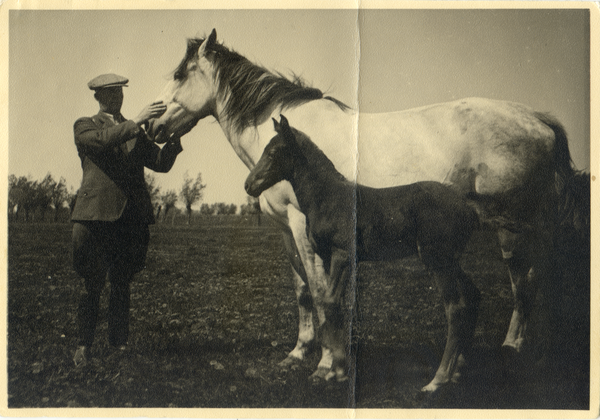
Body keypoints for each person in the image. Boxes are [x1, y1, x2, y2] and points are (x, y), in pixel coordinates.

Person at [71, 73, 182, 366]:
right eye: (110, 93)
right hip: (95, 219)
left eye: (119, 92)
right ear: (98, 97)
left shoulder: (133, 131)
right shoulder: (85, 125)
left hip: (129, 220)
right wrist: (137, 121)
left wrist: (174, 140)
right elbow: (103, 142)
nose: (117, 97)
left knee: (121, 284)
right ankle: (83, 346)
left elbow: (159, 163)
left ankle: (118, 346)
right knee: (91, 285)